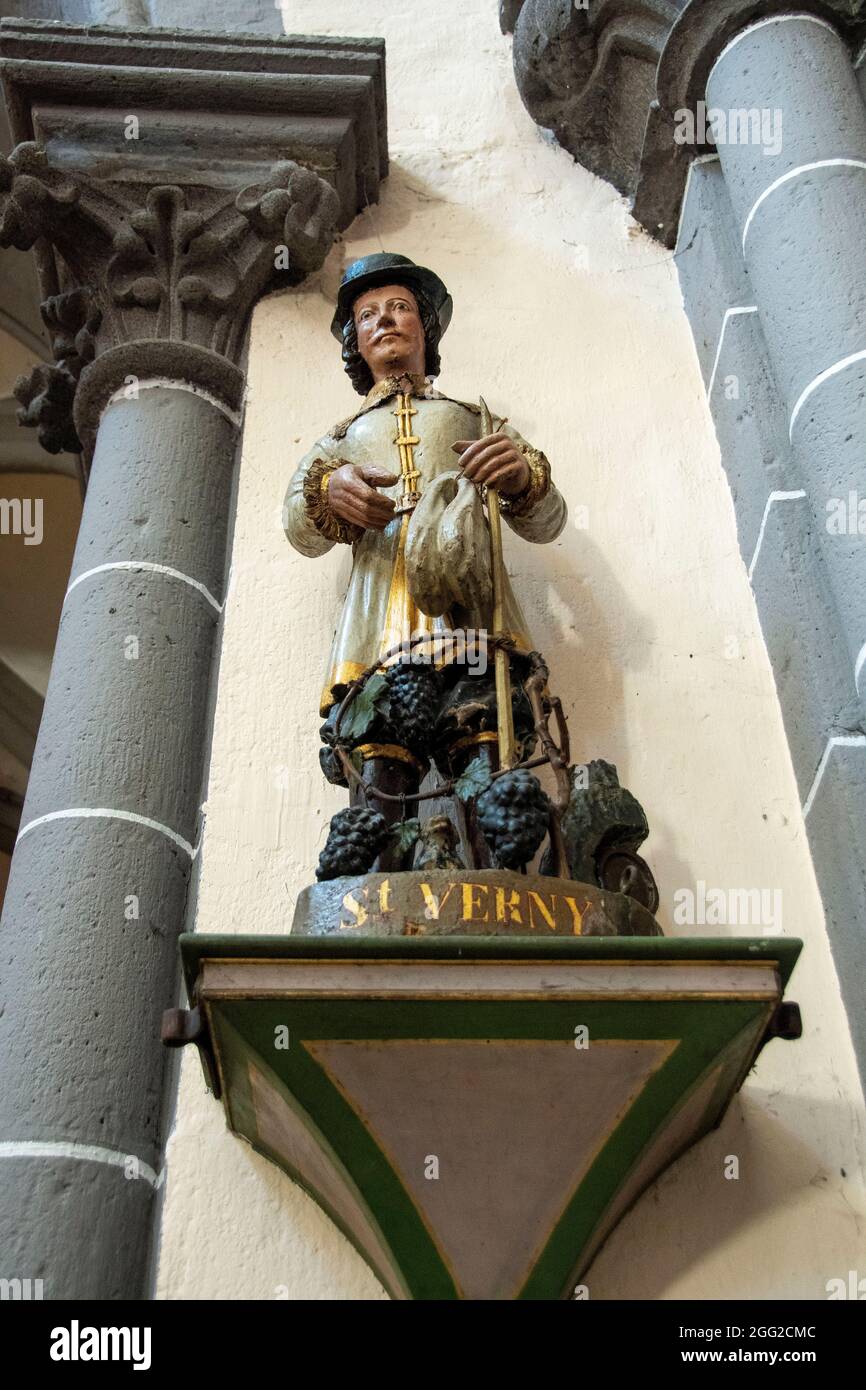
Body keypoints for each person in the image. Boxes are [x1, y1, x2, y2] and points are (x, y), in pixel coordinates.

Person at [284, 252, 567, 861]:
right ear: (354, 343)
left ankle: (504, 886)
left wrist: (520, 478)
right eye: (367, 315)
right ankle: (372, 890)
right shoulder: (338, 440)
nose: (384, 321)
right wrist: (328, 493)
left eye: (400, 308)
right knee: (381, 759)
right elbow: (298, 529)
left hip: (472, 622)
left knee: (488, 752)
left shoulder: (475, 419)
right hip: (379, 627)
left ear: (425, 329)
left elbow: (548, 520)